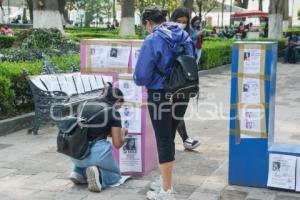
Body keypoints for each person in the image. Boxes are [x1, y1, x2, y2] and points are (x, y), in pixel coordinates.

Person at [134, 6, 195, 200]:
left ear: (148, 23)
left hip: (160, 95)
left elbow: (141, 76)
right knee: (168, 137)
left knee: (163, 140)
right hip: (182, 92)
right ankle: (165, 181)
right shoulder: (184, 35)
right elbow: (192, 62)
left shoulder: (152, 39)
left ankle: (167, 192)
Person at [70, 83, 128, 193]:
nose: (119, 109)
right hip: (97, 154)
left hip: (76, 153)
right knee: (116, 175)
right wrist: (123, 133)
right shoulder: (113, 112)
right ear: (117, 101)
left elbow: (92, 128)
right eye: (119, 106)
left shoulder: (84, 104)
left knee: (83, 161)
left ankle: (77, 171)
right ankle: (100, 176)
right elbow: (118, 144)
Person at [170, 7, 200, 150]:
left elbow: (191, 57)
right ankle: (180, 140)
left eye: (184, 22)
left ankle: (184, 139)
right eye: (178, 21)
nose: (181, 24)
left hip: (185, 79)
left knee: (178, 110)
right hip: (170, 79)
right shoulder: (165, 35)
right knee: (171, 112)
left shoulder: (188, 36)